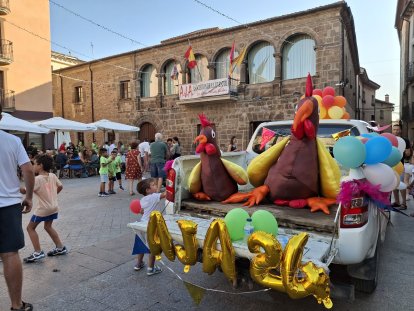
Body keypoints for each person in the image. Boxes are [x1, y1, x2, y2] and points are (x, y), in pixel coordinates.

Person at [0, 105, 35, 311]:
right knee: (10, 254)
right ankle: (16, 305)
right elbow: (28, 170)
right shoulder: (12, 141)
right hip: (7, 205)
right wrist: (29, 196)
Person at [21, 154, 67, 263]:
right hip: (54, 207)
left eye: (35, 164)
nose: (33, 166)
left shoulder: (37, 179)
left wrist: (14, 187)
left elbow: (25, 190)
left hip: (44, 209)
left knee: (30, 228)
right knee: (48, 226)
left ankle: (38, 252)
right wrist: (52, 195)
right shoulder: (52, 175)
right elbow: (60, 186)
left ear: (40, 165)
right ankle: (60, 247)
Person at [133, 178, 165, 275]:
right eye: (154, 185)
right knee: (152, 247)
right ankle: (151, 268)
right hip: (151, 226)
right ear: (148, 190)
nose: (156, 186)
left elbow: (142, 211)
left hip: (142, 224)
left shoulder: (142, 199)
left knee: (141, 244)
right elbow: (165, 194)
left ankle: (138, 264)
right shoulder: (154, 196)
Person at [392, 123, 412, 210]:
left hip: (400, 165)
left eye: (397, 129)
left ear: (400, 130)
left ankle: (404, 204)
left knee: (400, 184)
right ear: (392, 131)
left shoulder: (405, 140)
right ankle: (397, 202)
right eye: (394, 129)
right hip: (390, 164)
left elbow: (408, 153)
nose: (396, 131)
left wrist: (404, 150)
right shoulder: (390, 139)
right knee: (393, 184)